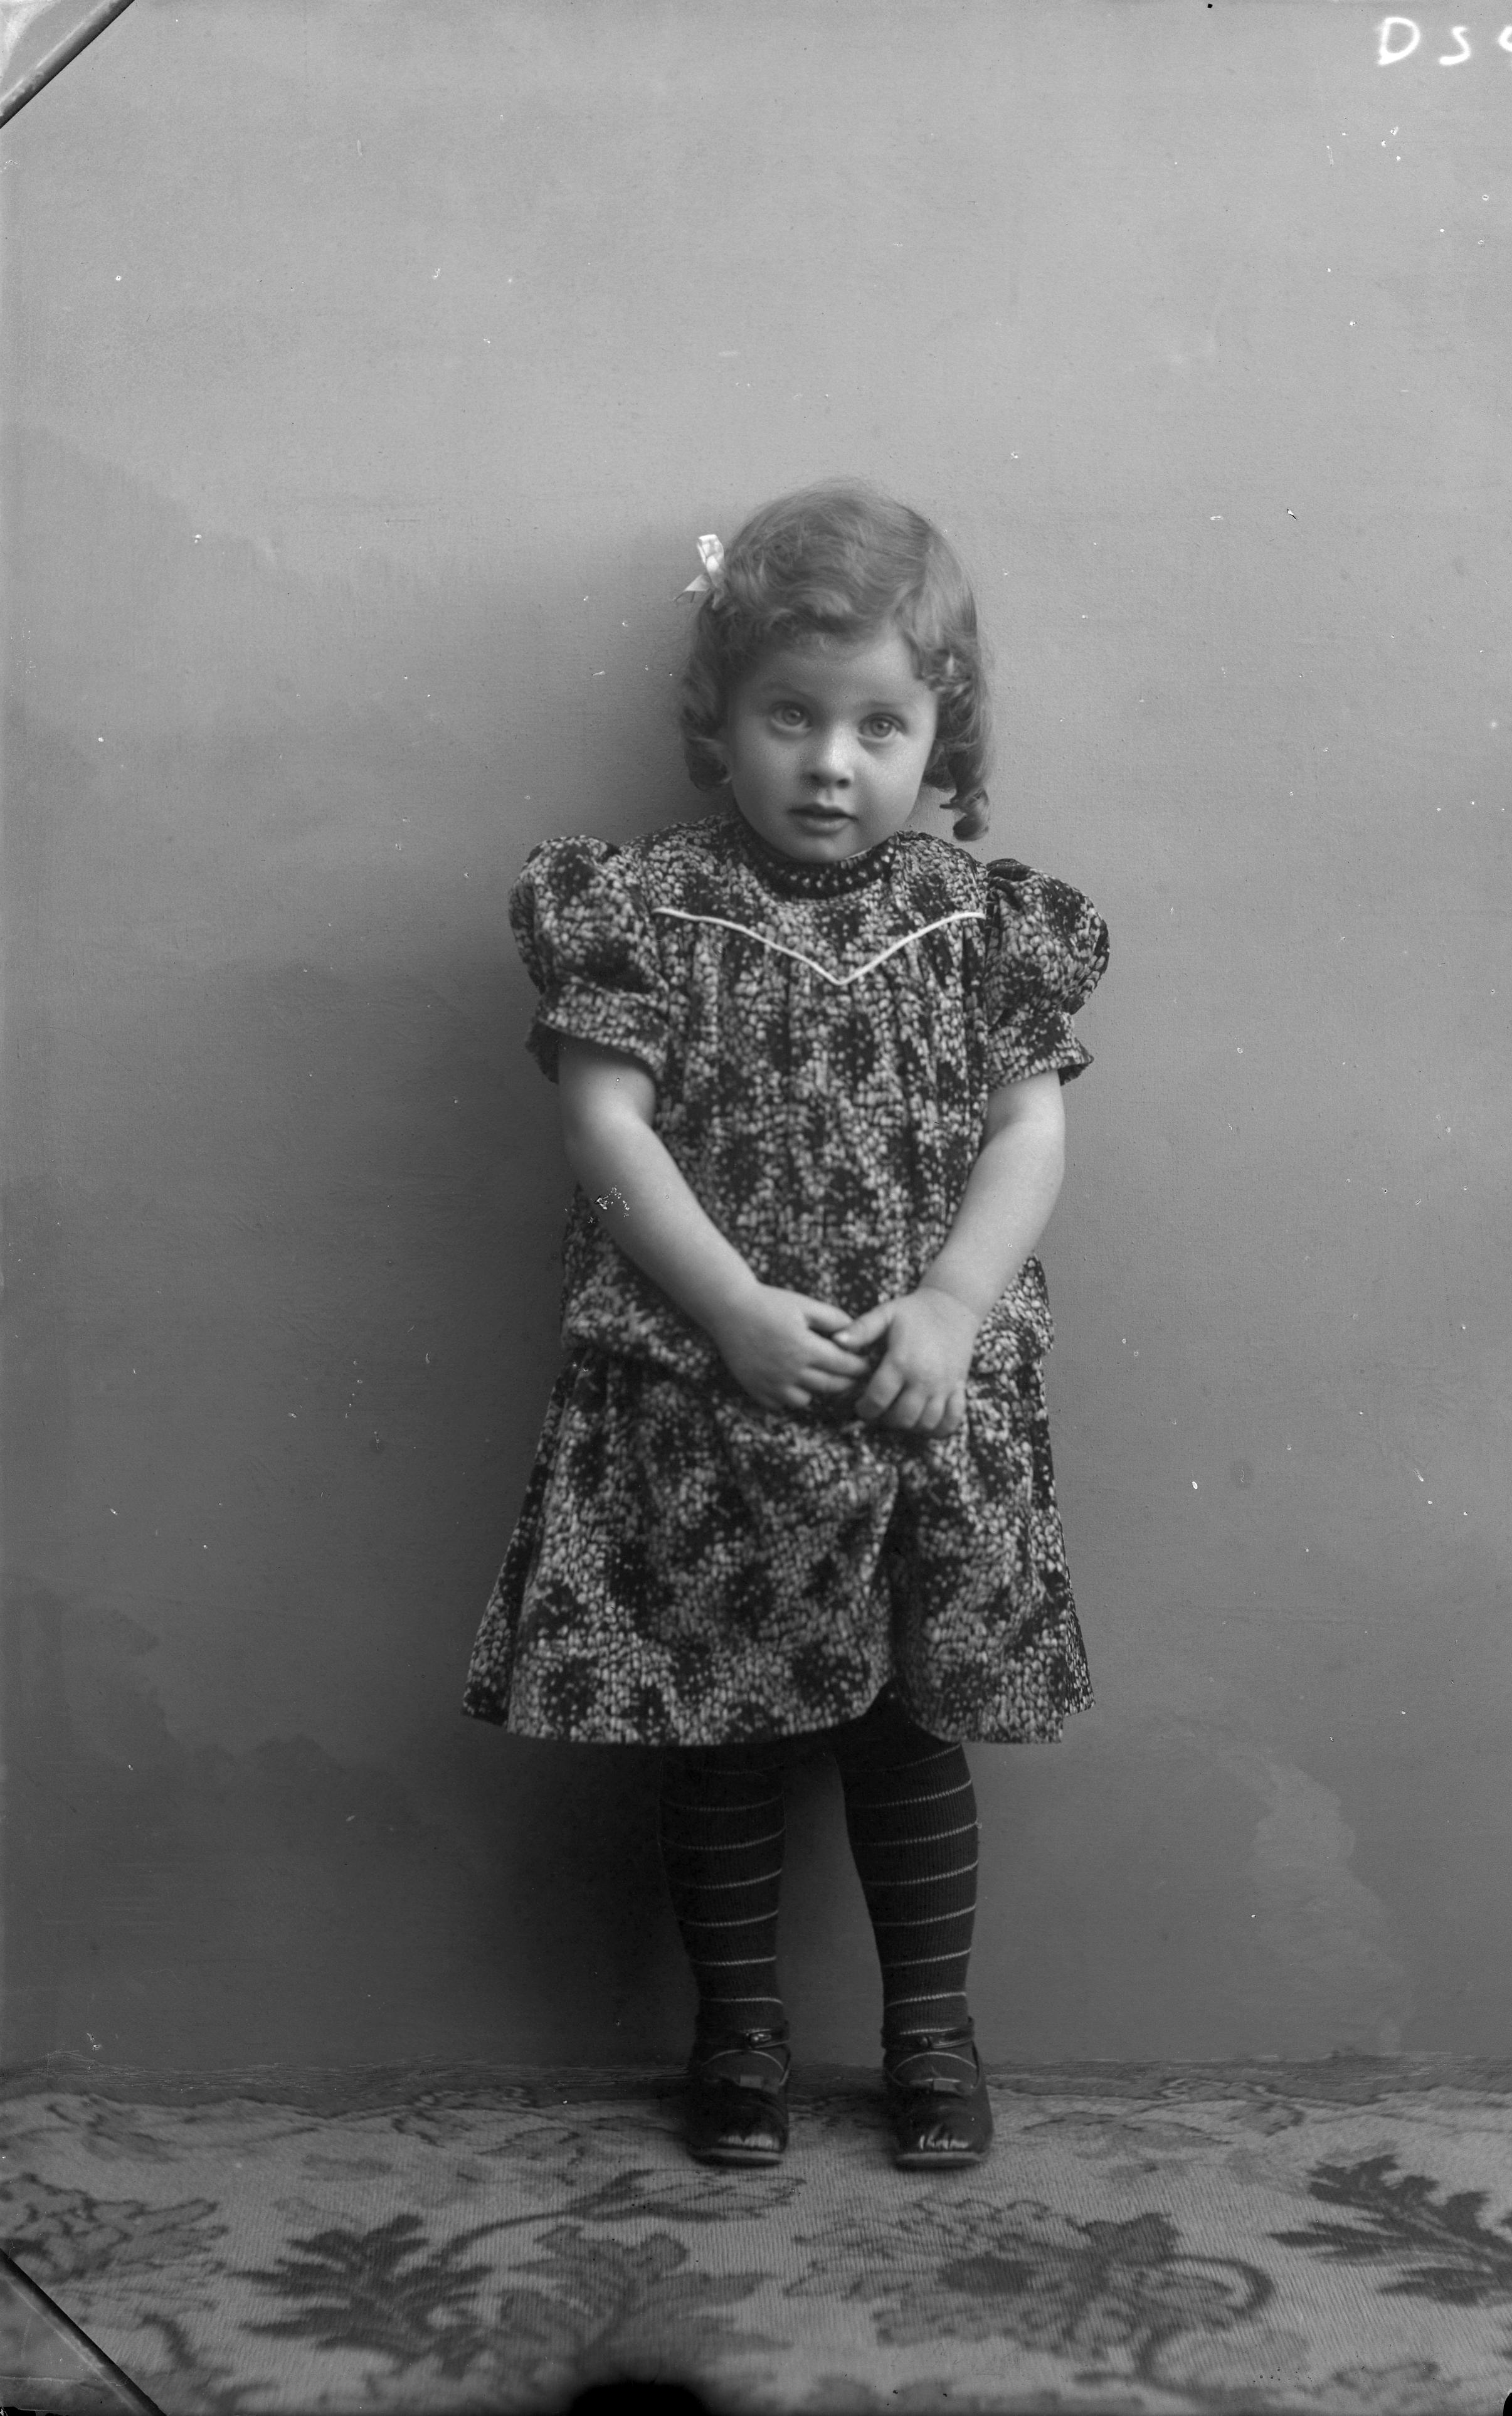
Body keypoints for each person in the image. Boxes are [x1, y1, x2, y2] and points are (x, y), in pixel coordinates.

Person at [463, 481, 1108, 2171]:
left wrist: (954, 1304)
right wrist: (737, 1310)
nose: (831, 763)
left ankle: (930, 2035)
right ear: (721, 719)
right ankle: (738, 2035)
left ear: (940, 734)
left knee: (908, 1737)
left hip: (909, 1391)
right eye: (790, 716)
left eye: (878, 725)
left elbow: (1027, 1132)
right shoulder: (646, 910)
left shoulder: (980, 928)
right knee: (718, 1730)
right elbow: (604, 1123)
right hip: (713, 1385)